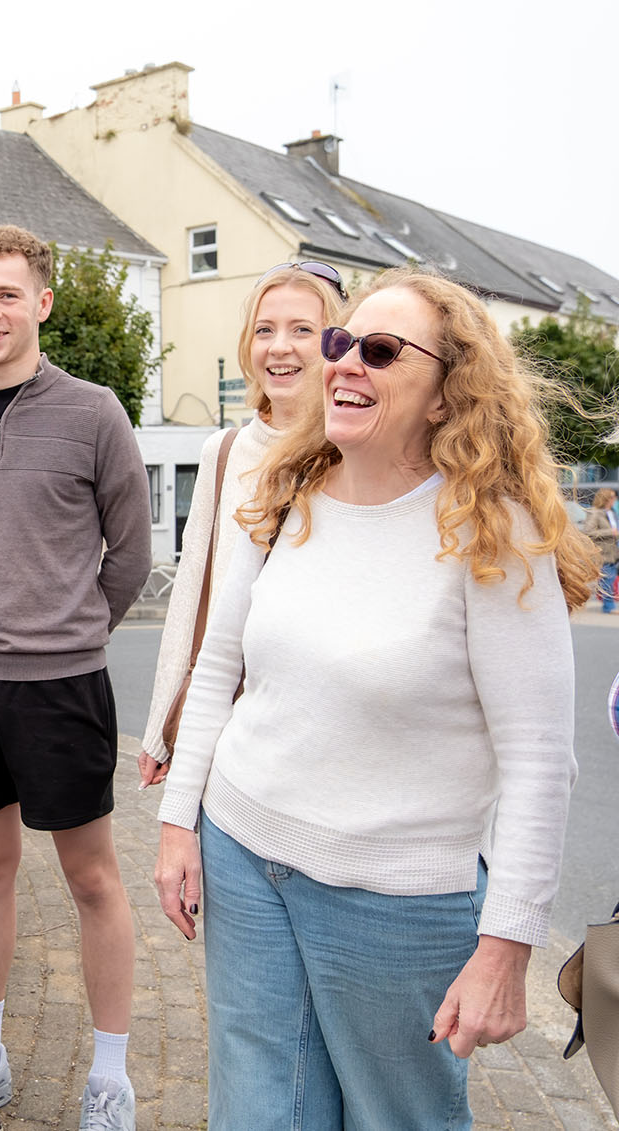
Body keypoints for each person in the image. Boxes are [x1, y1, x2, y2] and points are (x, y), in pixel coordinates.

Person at [154, 267, 592, 1129]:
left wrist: (507, 946)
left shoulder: (494, 534)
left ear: (444, 394)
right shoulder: (284, 493)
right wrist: (178, 823)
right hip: (243, 855)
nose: (345, 363)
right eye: (339, 343)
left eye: (381, 350)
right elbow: (218, 667)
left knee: (401, 1118)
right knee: (258, 1111)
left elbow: (542, 761)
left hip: (397, 902)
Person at [0, 224, 152, 1128]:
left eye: (7, 294)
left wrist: (75, 624)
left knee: (92, 877)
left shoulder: (95, 413)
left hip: (64, 686)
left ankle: (111, 1076)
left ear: (42, 302)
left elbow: (128, 555)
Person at [138, 262, 344, 786]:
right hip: (224, 716)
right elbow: (192, 590)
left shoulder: (359, 451)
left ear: (340, 344)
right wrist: (162, 724)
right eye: (264, 330)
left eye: (303, 330)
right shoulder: (224, 453)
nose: (279, 347)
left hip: (321, 724)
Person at [582, 487, 618, 612]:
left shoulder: (611, 512)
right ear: (606, 498)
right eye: (613, 497)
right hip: (602, 552)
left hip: (613, 552)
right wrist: (610, 532)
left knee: (609, 578)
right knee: (607, 578)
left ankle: (608, 605)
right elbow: (588, 531)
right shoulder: (595, 512)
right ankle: (609, 607)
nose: (615, 499)